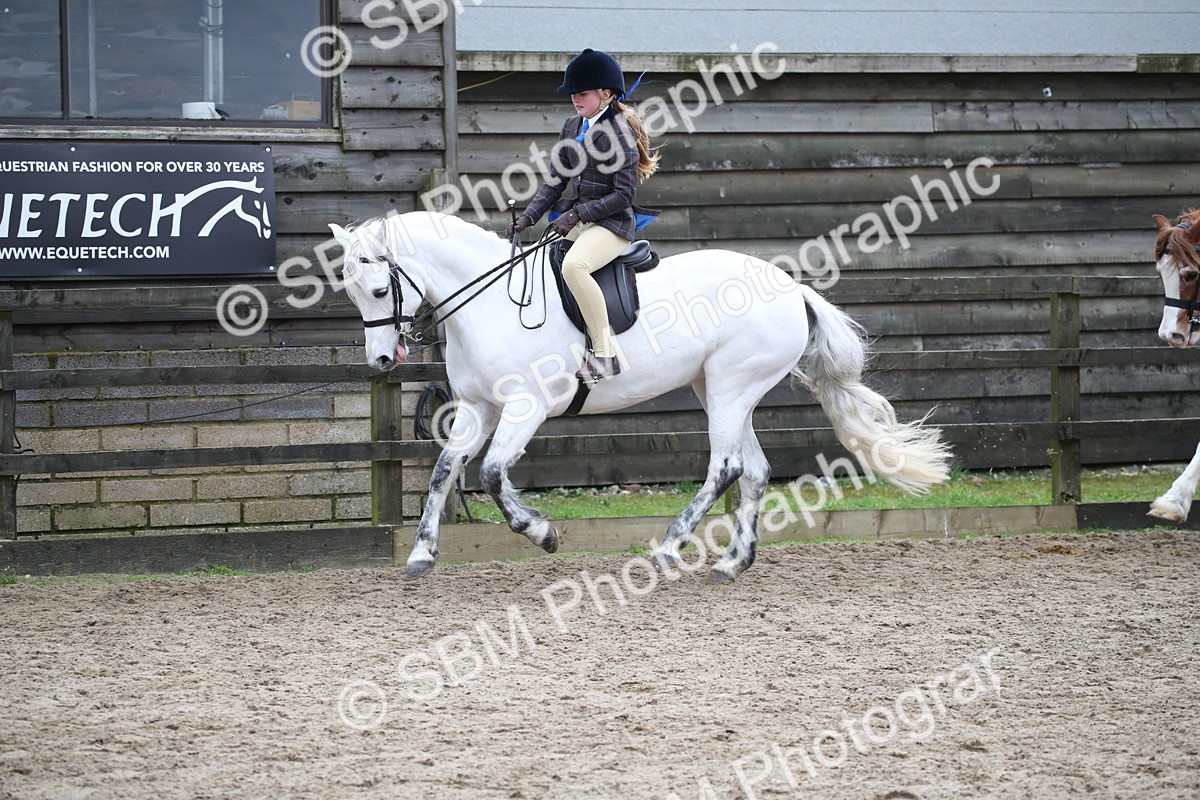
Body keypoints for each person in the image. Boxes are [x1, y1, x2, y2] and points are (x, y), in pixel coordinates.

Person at [504, 48, 661, 381]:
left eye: (583, 92)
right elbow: (555, 181)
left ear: (605, 93)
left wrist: (576, 215)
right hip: (583, 220)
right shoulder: (572, 125)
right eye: (573, 92)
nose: (575, 98)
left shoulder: (619, 133)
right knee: (539, 257)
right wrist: (529, 217)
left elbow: (623, 196)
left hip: (612, 224)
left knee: (575, 266)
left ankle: (605, 354)